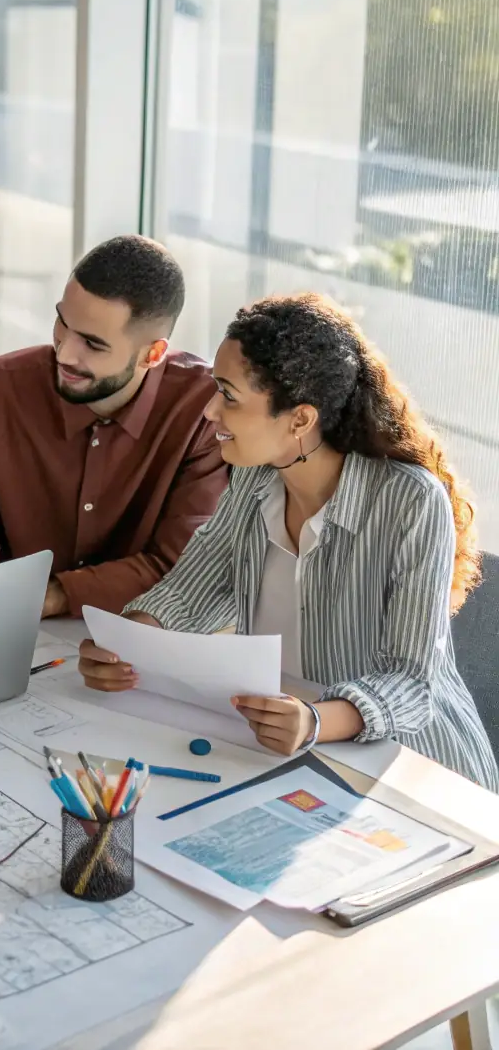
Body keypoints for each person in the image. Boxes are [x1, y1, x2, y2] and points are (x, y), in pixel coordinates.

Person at [79, 293, 498, 789]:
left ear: (300, 419)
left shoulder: (411, 501)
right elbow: (192, 590)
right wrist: (126, 646)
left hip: (413, 765)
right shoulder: (254, 477)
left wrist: (315, 720)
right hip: (287, 750)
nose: (210, 411)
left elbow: (411, 682)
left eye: (229, 396)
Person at [0, 236, 228, 617]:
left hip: (132, 637)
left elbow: (184, 567)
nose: (64, 353)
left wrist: (51, 596)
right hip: (1, 625)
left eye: (92, 344)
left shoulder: (206, 412)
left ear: (153, 354)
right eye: (62, 323)